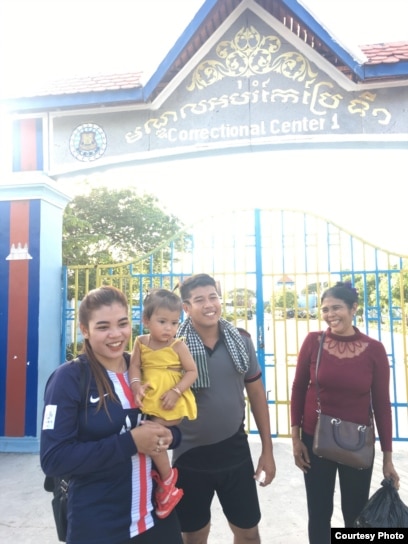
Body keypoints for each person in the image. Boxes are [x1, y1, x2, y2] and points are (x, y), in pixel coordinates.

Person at [40, 285, 184, 544]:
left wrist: (168, 437)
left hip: (157, 520)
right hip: (99, 525)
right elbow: (54, 459)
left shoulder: (144, 369)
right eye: (103, 326)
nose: (116, 335)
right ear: (85, 330)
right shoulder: (69, 378)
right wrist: (131, 442)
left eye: (123, 323)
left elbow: (174, 426)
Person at [291, 281, 400, 544]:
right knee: (318, 513)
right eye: (325, 309)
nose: (330, 315)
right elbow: (297, 389)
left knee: (354, 514)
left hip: (358, 444)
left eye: (336, 308)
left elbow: (382, 405)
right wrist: (296, 438)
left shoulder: (374, 349)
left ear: (353, 308)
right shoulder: (313, 342)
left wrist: (387, 457)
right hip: (314, 440)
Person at [172, 273, 276, 544]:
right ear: (186, 308)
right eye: (199, 300)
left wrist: (267, 449)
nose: (209, 304)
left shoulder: (241, 341)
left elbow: (256, 395)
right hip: (189, 456)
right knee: (194, 535)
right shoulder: (172, 347)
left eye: (213, 297)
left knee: (248, 533)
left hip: (234, 451)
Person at [129, 288, 198, 519]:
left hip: (170, 402)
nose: (169, 328)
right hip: (150, 398)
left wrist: (176, 391)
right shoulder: (140, 342)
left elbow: (191, 371)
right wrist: (136, 385)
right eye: (162, 321)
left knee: (151, 435)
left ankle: (168, 483)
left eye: (174, 322)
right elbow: (135, 367)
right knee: (148, 437)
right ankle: (161, 483)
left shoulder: (177, 345)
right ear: (146, 320)